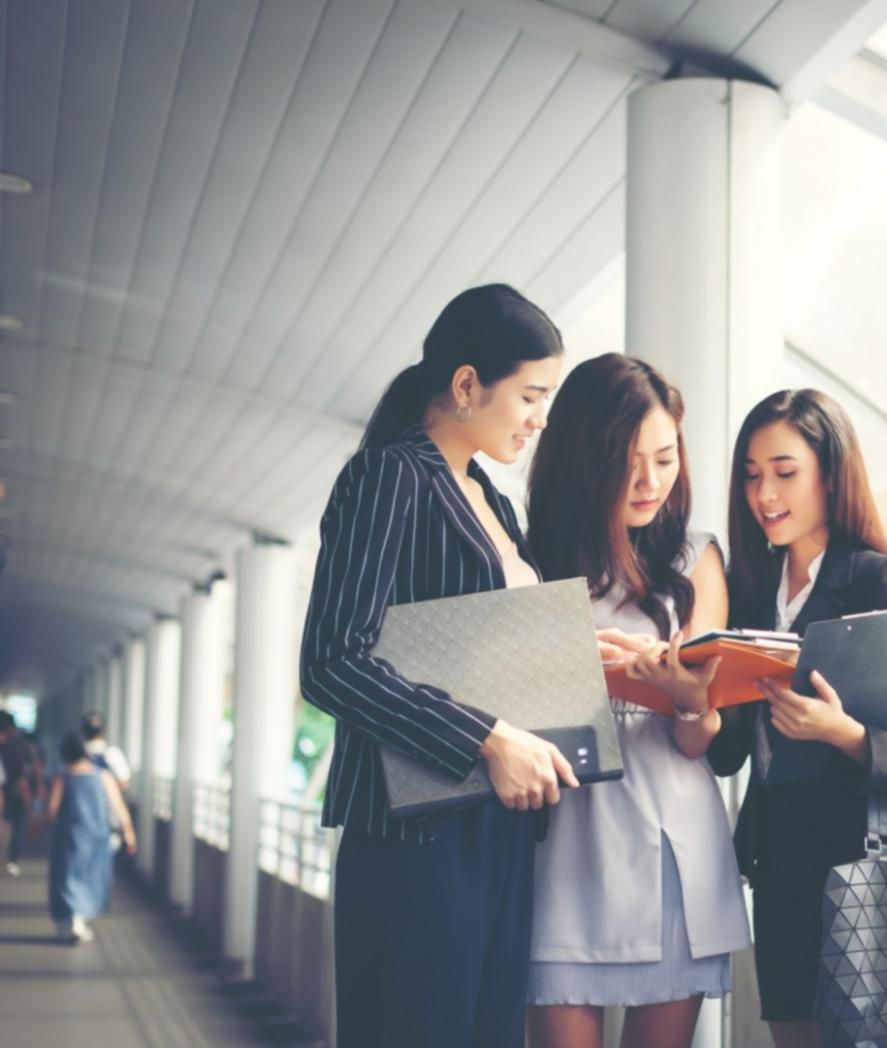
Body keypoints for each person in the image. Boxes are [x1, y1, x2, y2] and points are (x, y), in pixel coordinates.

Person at [299, 285, 648, 1048]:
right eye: (531, 394)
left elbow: (470, 645)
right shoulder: (389, 477)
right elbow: (332, 661)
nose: (541, 418)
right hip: (415, 841)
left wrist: (565, 654)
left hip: (498, 830)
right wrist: (488, 739)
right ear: (466, 385)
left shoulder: (493, 499)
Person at [706, 390, 887, 1048]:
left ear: (831, 475)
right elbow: (727, 753)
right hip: (780, 860)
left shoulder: (876, 580)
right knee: (792, 1031)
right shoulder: (748, 589)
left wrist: (838, 732)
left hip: (860, 862)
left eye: (785, 472)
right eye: (752, 475)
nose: (765, 493)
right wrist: (690, 693)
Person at [523, 355, 751, 1048]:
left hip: (671, 840)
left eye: (665, 457)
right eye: (629, 462)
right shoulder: (528, 562)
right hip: (564, 838)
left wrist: (682, 699)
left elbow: (696, 741)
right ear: (583, 462)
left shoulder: (694, 559)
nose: (651, 482)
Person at [48, 733, 136, 943]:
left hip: (68, 836)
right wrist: (129, 833)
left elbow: (52, 809)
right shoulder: (103, 776)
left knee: (67, 877)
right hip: (97, 836)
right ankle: (79, 919)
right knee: (91, 877)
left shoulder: (63, 776)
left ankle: (70, 919)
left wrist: (40, 824)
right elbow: (119, 806)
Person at [0, 711, 32, 876]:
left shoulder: (14, 746)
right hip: (10, 795)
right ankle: (12, 859)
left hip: (9, 794)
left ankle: (11, 859)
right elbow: (22, 778)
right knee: (12, 827)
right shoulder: (17, 747)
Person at [80, 712, 132, 794]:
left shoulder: (76, 756)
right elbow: (124, 783)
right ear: (104, 731)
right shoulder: (113, 754)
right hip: (106, 804)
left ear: (82, 732)